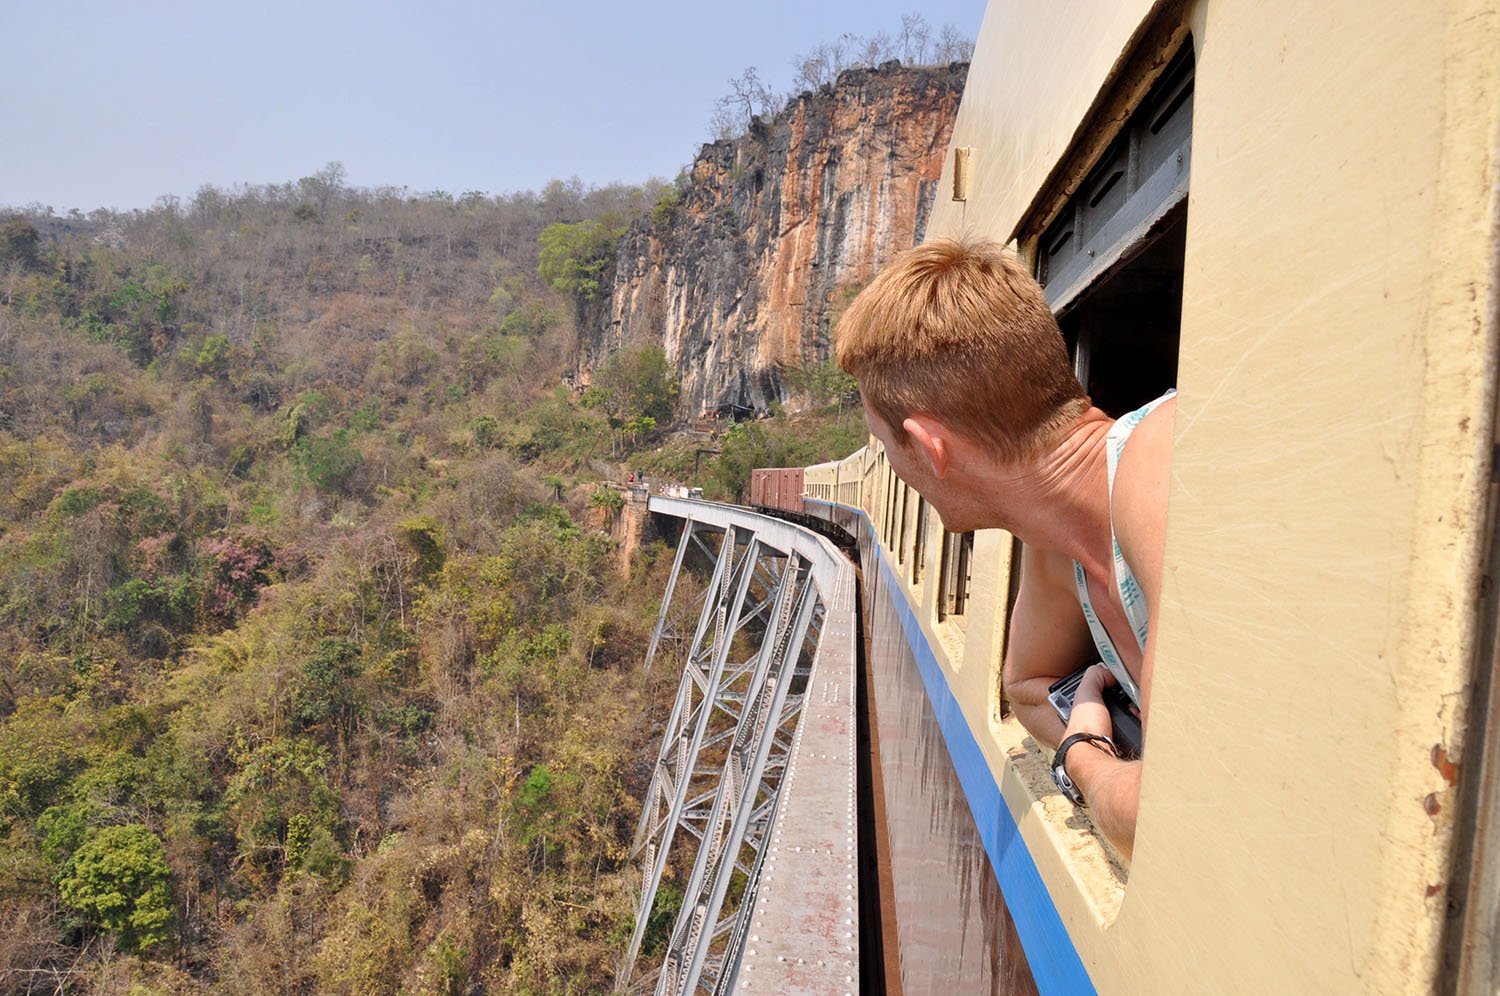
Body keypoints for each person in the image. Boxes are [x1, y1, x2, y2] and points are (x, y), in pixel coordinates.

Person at [834, 238, 1174, 858]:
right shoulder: (1058, 541)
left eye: (888, 448)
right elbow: (1026, 687)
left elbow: (1168, 815)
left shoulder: (1164, 466)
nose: (893, 465)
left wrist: (1082, 755)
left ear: (932, 449)